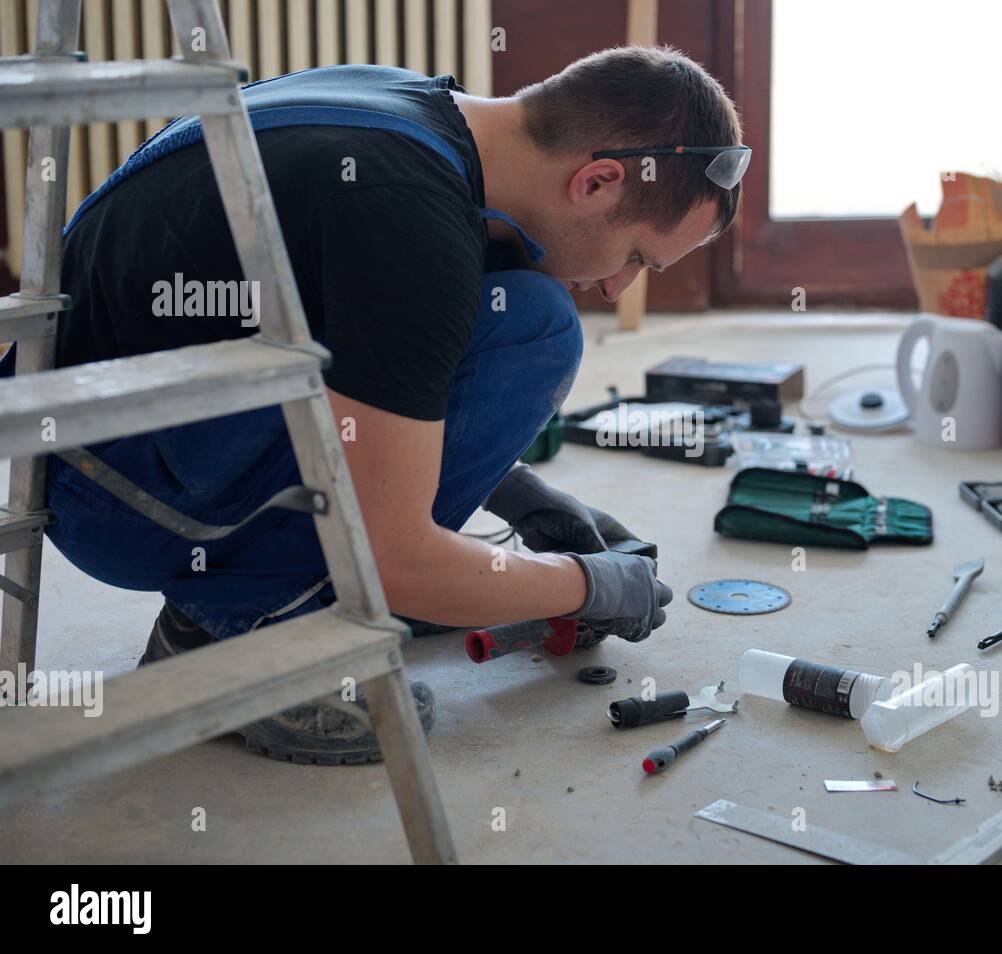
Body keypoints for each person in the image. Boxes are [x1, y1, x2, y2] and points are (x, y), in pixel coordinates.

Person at [42, 45, 748, 763]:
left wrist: (523, 496)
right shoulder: (406, 216)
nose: (616, 289)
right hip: (118, 498)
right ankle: (247, 633)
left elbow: (370, 361)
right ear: (596, 183)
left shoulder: (420, 117)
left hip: (119, 441)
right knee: (539, 331)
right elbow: (396, 561)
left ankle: (253, 600)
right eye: (637, 257)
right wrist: (583, 587)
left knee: (519, 305)